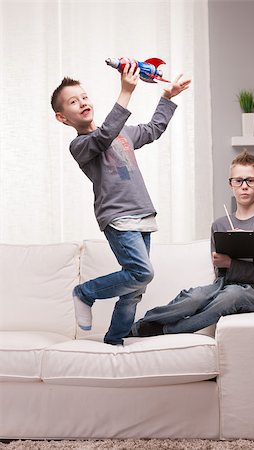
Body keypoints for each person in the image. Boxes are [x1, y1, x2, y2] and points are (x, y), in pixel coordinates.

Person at [51, 63, 191, 345]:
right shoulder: (80, 146)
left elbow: (152, 129)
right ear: (62, 117)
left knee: (135, 287)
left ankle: (115, 339)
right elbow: (103, 137)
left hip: (142, 213)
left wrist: (167, 98)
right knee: (142, 273)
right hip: (117, 217)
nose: (82, 103)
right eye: (73, 102)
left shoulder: (122, 132)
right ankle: (85, 292)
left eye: (84, 97)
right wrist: (126, 91)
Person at [130, 150, 254, 337]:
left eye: (250, 180)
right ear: (231, 185)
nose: (244, 186)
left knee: (232, 296)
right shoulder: (219, 225)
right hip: (226, 284)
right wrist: (223, 264)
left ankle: (164, 331)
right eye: (238, 181)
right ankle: (138, 326)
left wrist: (231, 263)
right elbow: (221, 273)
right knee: (194, 297)